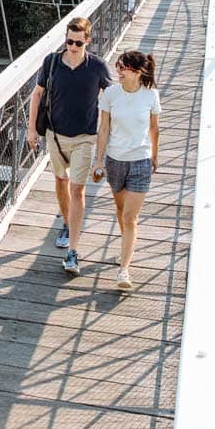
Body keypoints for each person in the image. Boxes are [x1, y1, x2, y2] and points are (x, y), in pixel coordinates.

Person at [27, 16, 112, 277]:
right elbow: (37, 94)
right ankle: (66, 221)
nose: (72, 47)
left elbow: (111, 102)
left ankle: (73, 252)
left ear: (87, 41)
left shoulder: (97, 67)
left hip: (85, 137)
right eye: (69, 41)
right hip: (54, 135)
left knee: (77, 189)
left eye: (77, 42)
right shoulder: (52, 62)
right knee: (60, 183)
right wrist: (31, 130)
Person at [92, 49, 160, 291]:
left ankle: (124, 270)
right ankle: (126, 247)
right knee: (121, 211)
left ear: (137, 71)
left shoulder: (151, 95)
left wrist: (155, 155)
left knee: (130, 217)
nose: (118, 70)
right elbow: (104, 130)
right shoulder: (110, 94)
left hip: (140, 161)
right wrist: (98, 161)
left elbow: (154, 128)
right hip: (115, 160)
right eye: (118, 66)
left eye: (122, 67)